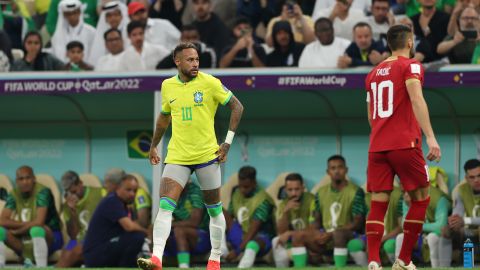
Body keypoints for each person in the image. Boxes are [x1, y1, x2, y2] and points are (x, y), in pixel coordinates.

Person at [136, 42, 244, 270]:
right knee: (165, 206)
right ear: (177, 62)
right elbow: (164, 118)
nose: (195, 64)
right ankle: (156, 258)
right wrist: (154, 145)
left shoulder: (210, 82)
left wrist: (227, 143)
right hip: (177, 156)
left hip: (207, 155)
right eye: (190, 60)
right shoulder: (168, 86)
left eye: (197, 59)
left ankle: (215, 259)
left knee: (214, 209)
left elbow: (237, 107)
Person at [364, 24, 441, 270]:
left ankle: (374, 260)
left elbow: (370, 115)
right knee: (420, 200)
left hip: (377, 146)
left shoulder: (373, 73)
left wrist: (381, 134)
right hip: (404, 144)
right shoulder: (411, 66)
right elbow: (417, 99)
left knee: (378, 204)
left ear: (388, 44)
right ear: (410, 42)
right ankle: (404, 260)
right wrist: (430, 137)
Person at [292, 155, 367, 267]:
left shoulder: (356, 191)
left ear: (346, 170)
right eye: (333, 168)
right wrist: (317, 234)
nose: (337, 171)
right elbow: (316, 222)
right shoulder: (320, 193)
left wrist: (332, 233)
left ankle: (339, 267)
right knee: (299, 235)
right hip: (327, 235)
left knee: (338, 234)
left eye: (340, 167)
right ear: (328, 172)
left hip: (349, 235)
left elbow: (358, 222)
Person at [0, 166, 63, 267]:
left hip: (51, 237)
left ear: (34, 179)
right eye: (21, 179)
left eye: (28, 178)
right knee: (1, 231)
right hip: (26, 238)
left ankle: (41, 267)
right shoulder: (14, 193)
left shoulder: (43, 192)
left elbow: (39, 222)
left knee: (37, 229)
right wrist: (24, 225)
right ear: (17, 181)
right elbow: (2, 220)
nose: (25, 182)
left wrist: (18, 231)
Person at [83, 174, 149, 267]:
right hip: (96, 254)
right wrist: (147, 233)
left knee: (134, 237)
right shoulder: (112, 201)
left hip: (104, 248)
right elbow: (129, 227)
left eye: (135, 191)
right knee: (137, 237)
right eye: (128, 190)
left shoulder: (123, 204)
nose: (132, 194)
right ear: (118, 188)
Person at [224, 166, 275, 268]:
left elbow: (254, 229)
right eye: (240, 186)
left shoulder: (263, 199)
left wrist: (238, 251)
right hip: (241, 234)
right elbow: (229, 217)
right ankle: (222, 250)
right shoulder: (236, 193)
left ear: (254, 182)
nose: (242, 190)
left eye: (246, 187)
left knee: (252, 244)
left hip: (260, 238)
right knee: (218, 210)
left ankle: (244, 266)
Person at [55, 171, 107, 267]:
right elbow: (73, 235)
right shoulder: (68, 204)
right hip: (78, 240)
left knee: (72, 254)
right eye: (70, 192)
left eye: (74, 191)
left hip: (97, 238)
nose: (73, 195)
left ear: (80, 183)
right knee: (65, 253)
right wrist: (73, 211)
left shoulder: (100, 193)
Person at [395, 186, 451, 267]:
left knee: (432, 237)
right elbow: (404, 225)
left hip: (445, 234)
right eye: (404, 192)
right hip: (421, 234)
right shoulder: (407, 199)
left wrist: (417, 226)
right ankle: (399, 267)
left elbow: (441, 226)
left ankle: (438, 267)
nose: (406, 195)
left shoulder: (437, 199)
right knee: (400, 237)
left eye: (408, 191)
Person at [441, 159, 480, 267]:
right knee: (447, 231)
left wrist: (464, 220)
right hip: (471, 231)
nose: (476, 180)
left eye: (479, 176)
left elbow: (465, 220)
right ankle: (443, 267)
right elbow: (458, 212)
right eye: (472, 177)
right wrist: (453, 221)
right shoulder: (461, 190)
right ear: (466, 178)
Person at [271, 173, 316, 267]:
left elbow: (313, 229)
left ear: (303, 188)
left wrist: (291, 233)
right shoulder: (283, 204)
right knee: (276, 240)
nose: (294, 193)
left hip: (309, 241)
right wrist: (286, 212)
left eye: (297, 189)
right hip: (293, 241)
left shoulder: (312, 200)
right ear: (285, 190)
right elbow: (281, 232)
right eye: (290, 190)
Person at [164, 181, 211, 268]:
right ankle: (150, 258)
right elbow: (163, 218)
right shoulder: (169, 193)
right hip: (178, 237)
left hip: (202, 236)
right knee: (155, 227)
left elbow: (194, 222)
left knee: (179, 230)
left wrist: (172, 224)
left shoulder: (194, 191)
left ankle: (184, 266)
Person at [365, 186, 403, 264]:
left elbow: (401, 226)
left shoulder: (399, 195)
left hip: (392, 235)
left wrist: (382, 239)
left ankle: (397, 266)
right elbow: (368, 223)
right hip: (375, 235)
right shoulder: (368, 196)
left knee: (389, 245)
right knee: (355, 245)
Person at [88, 1, 129, 67]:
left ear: (122, 16)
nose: (113, 18)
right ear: (105, 19)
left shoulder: (129, 33)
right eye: (109, 16)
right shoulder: (100, 34)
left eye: (116, 15)